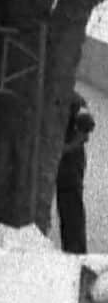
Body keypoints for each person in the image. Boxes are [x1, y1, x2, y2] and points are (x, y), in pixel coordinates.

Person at [61, 98, 96, 254]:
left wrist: (67, 148)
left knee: (71, 209)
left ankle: (76, 255)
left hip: (70, 161)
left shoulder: (75, 100)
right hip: (49, 158)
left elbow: (86, 126)